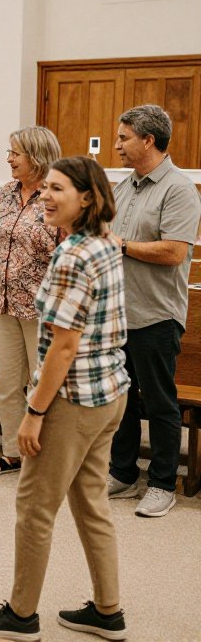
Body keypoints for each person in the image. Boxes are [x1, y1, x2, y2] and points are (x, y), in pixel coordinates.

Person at [0, 157, 130, 642]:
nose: (45, 196)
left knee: (35, 508)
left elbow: (62, 345)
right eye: (45, 189)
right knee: (91, 504)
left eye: (57, 188)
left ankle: (21, 615)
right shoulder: (106, 245)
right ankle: (108, 610)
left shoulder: (74, 254)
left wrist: (34, 413)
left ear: (87, 197)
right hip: (108, 393)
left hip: (72, 401)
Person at [108, 104, 201, 518]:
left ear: (148, 140)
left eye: (124, 138)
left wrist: (123, 246)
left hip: (156, 315)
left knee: (160, 402)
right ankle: (123, 474)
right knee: (122, 399)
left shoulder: (179, 189)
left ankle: (163, 482)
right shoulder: (124, 187)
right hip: (117, 313)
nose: (117, 145)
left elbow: (175, 251)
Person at [0, 126, 62, 478]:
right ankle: (13, 452)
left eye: (15, 153)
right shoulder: (8, 192)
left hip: (41, 306)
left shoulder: (58, 193)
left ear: (36, 155)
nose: (8, 159)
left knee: (42, 384)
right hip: (4, 302)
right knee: (8, 383)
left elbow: (67, 253)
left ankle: (45, 456)